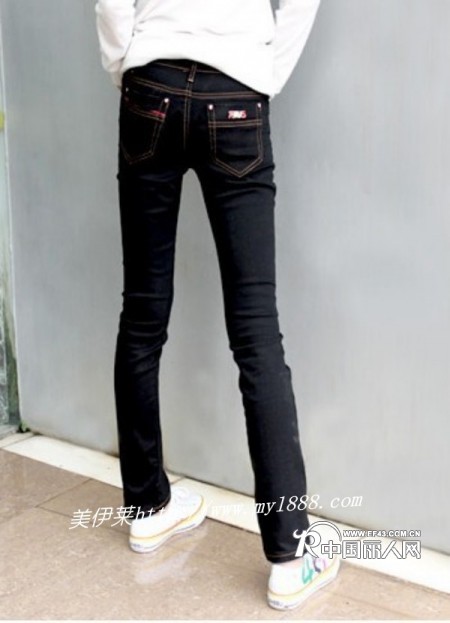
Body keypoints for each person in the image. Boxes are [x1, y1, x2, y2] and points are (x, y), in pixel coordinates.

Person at [95, 0, 339, 610]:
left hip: (150, 87)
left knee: (142, 312)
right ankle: (290, 555)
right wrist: (262, 72)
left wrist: (128, 63)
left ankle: (147, 508)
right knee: (256, 329)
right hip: (236, 90)